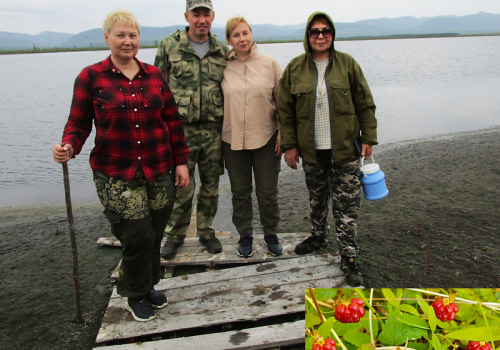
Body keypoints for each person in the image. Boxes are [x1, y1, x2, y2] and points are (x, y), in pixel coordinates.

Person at [52, 10, 189, 322]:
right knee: (136, 235)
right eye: (120, 35)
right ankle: (134, 293)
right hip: (117, 175)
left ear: (139, 39)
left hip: (159, 170)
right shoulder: (91, 77)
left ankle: (148, 284)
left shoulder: (154, 75)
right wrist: (69, 146)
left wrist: (181, 162)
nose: (127, 41)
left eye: (132, 35)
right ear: (107, 38)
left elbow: (172, 123)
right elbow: (78, 123)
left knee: (154, 233)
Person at [277, 12, 378, 286]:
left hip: (345, 151)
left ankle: (349, 256)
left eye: (326, 31)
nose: (320, 36)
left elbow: (365, 103)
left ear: (333, 35)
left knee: (347, 208)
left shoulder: (348, 64)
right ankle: (318, 237)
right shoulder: (295, 68)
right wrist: (290, 146)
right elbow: (285, 111)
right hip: (311, 152)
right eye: (314, 32)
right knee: (317, 200)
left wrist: (368, 137)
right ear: (307, 37)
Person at [154, 0, 228, 259]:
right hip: (180, 132)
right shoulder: (169, 46)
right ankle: (174, 236)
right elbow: (157, 90)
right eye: (196, 14)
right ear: (187, 16)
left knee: (210, 186)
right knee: (181, 187)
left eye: (205, 14)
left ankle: (206, 232)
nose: (201, 19)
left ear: (212, 16)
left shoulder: (222, 49)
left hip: (213, 132)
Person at [221, 16, 283, 258]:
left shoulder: (270, 64)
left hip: (266, 138)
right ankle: (245, 235)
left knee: (267, 192)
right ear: (228, 40)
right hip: (232, 139)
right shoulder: (222, 66)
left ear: (251, 34)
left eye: (245, 33)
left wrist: (284, 136)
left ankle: (270, 233)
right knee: (240, 192)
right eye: (236, 35)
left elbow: (284, 103)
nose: (242, 38)